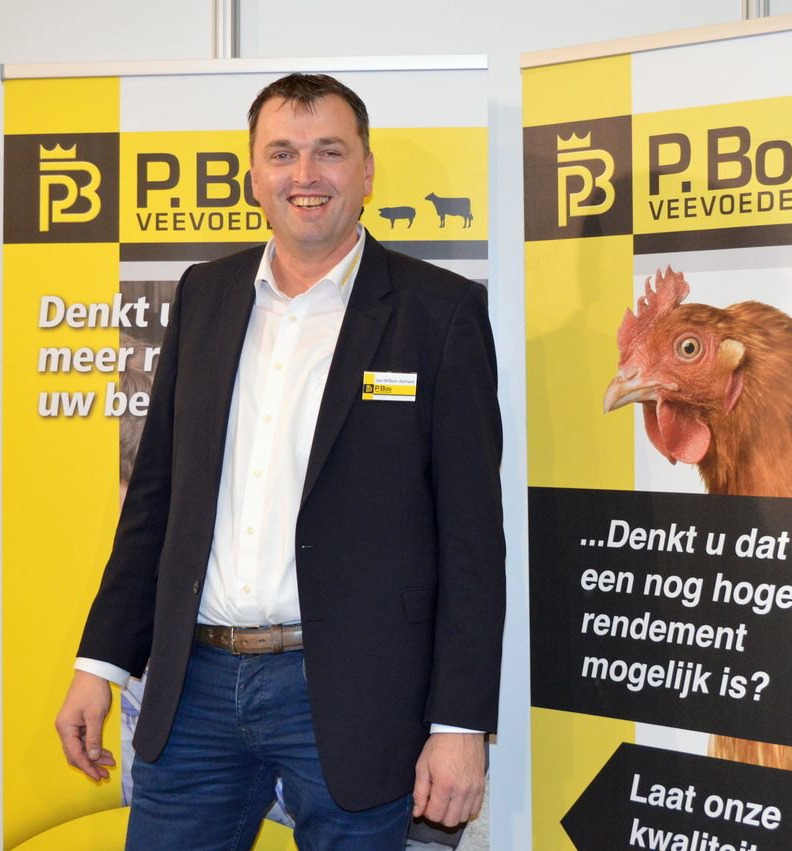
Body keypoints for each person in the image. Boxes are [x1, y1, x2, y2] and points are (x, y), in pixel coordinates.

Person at [54, 73, 505, 851]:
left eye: (329, 151)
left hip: (355, 692)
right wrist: (100, 662)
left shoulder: (440, 312)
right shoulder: (205, 294)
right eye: (283, 153)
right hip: (193, 687)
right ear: (254, 176)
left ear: (367, 170)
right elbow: (155, 499)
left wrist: (460, 722)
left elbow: (471, 538)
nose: (306, 174)